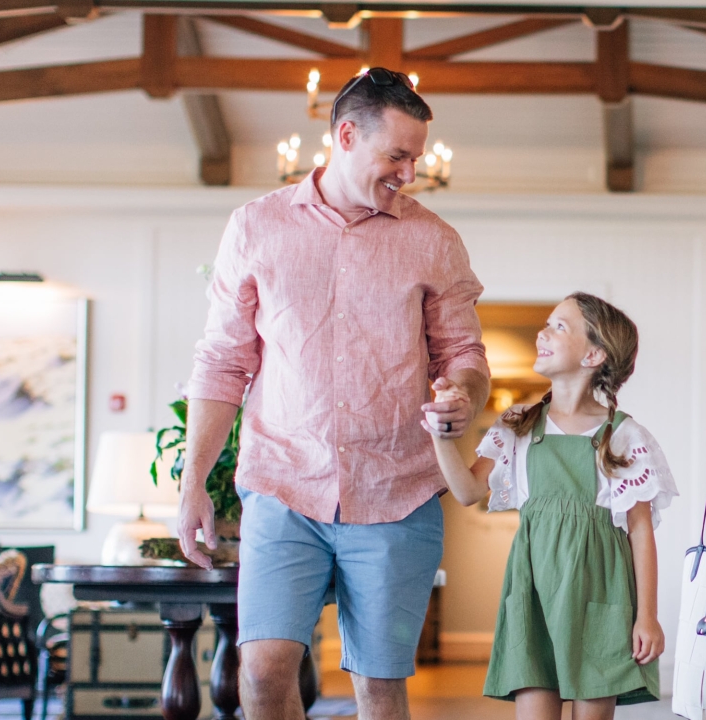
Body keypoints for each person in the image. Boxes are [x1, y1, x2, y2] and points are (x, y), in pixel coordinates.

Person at [176, 67, 490, 720]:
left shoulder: (434, 241)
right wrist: (193, 482)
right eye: (397, 156)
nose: (409, 173)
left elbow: (466, 358)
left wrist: (463, 394)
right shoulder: (256, 227)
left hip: (397, 492)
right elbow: (222, 362)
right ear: (346, 135)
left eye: (416, 159)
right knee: (261, 675)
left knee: (379, 689)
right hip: (283, 484)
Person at [428, 292, 677, 720]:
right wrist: (440, 434)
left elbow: (640, 533)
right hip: (535, 595)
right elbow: (468, 490)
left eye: (559, 326)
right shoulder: (518, 424)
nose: (543, 332)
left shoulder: (623, 434)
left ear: (594, 354)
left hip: (604, 596)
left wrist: (648, 616)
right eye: (547, 323)